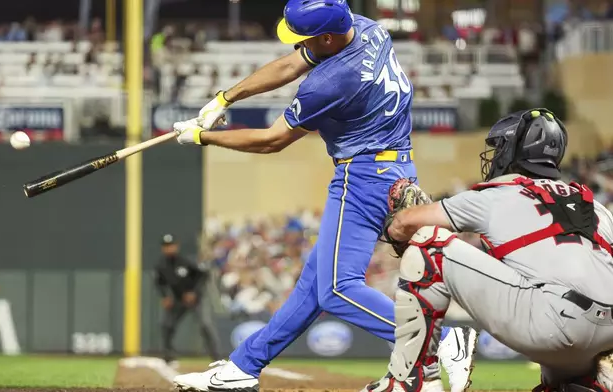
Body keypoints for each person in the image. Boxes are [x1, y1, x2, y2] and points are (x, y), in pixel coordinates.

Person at [172, 0, 476, 391]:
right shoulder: (366, 28)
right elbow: (289, 64)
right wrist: (223, 100)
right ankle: (244, 366)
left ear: (328, 37)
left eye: (307, 37)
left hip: (363, 174)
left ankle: (443, 340)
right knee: (314, 287)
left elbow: (271, 141)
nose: (299, 44)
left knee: (336, 289)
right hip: (391, 165)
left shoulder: (334, 80)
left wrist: (201, 136)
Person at [375, 108, 613, 392]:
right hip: (605, 334)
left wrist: (394, 226)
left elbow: (404, 223)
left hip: (554, 327)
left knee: (430, 245)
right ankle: (587, 382)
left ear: (513, 151)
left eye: (500, 147)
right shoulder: (594, 205)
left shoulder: (498, 194)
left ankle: (410, 381)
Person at [154, 234, 220, 363]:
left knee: (205, 325)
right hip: (179, 299)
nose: (169, 248)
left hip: (196, 300)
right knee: (166, 325)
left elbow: (202, 276)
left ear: (176, 246)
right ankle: (169, 357)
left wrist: (193, 292)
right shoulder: (161, 265)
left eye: (171, 245)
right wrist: (165, 296)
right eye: (166, 246)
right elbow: (159, 283)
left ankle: (216, 357)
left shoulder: (185, 261)